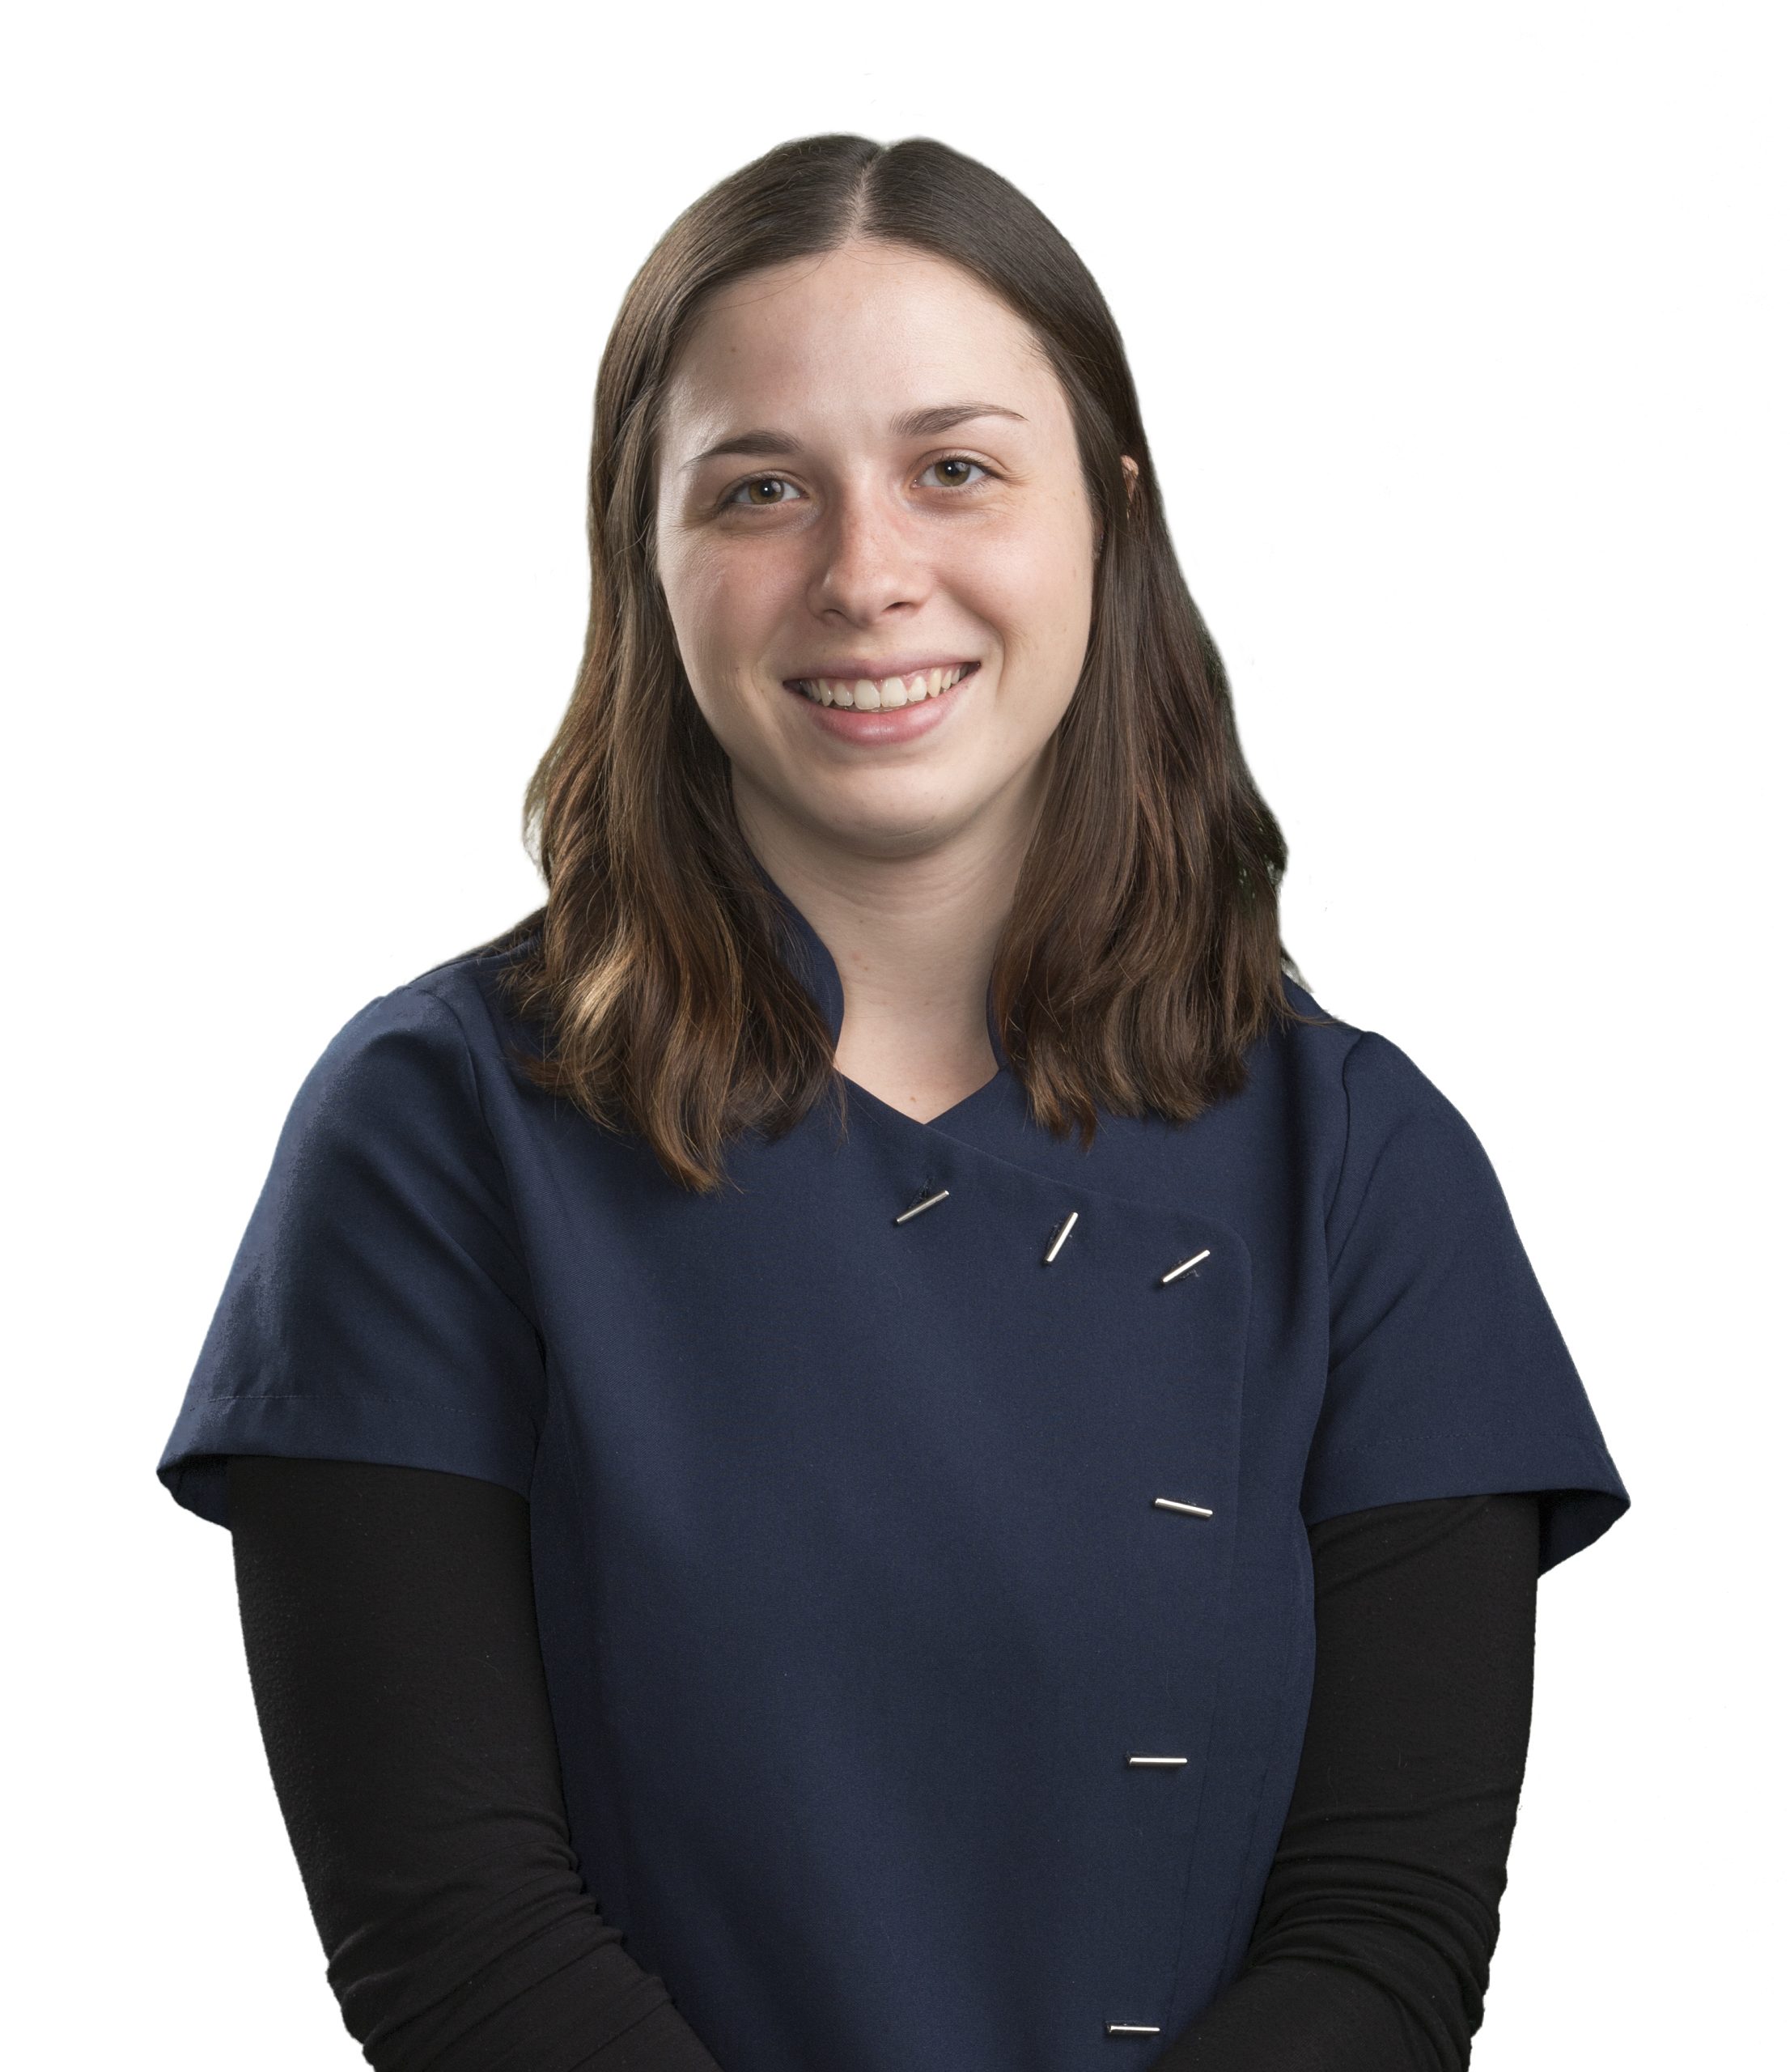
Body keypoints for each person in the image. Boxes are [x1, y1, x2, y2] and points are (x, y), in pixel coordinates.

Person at [157, 133, 1630, 2071]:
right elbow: (463, 1947)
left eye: (956, 468)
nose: (865, 574)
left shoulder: (1365, 1169)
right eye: (759, 489)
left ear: (1105, 511)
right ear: (646, 553)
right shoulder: (434, 1134)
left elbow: (1383, 1940)